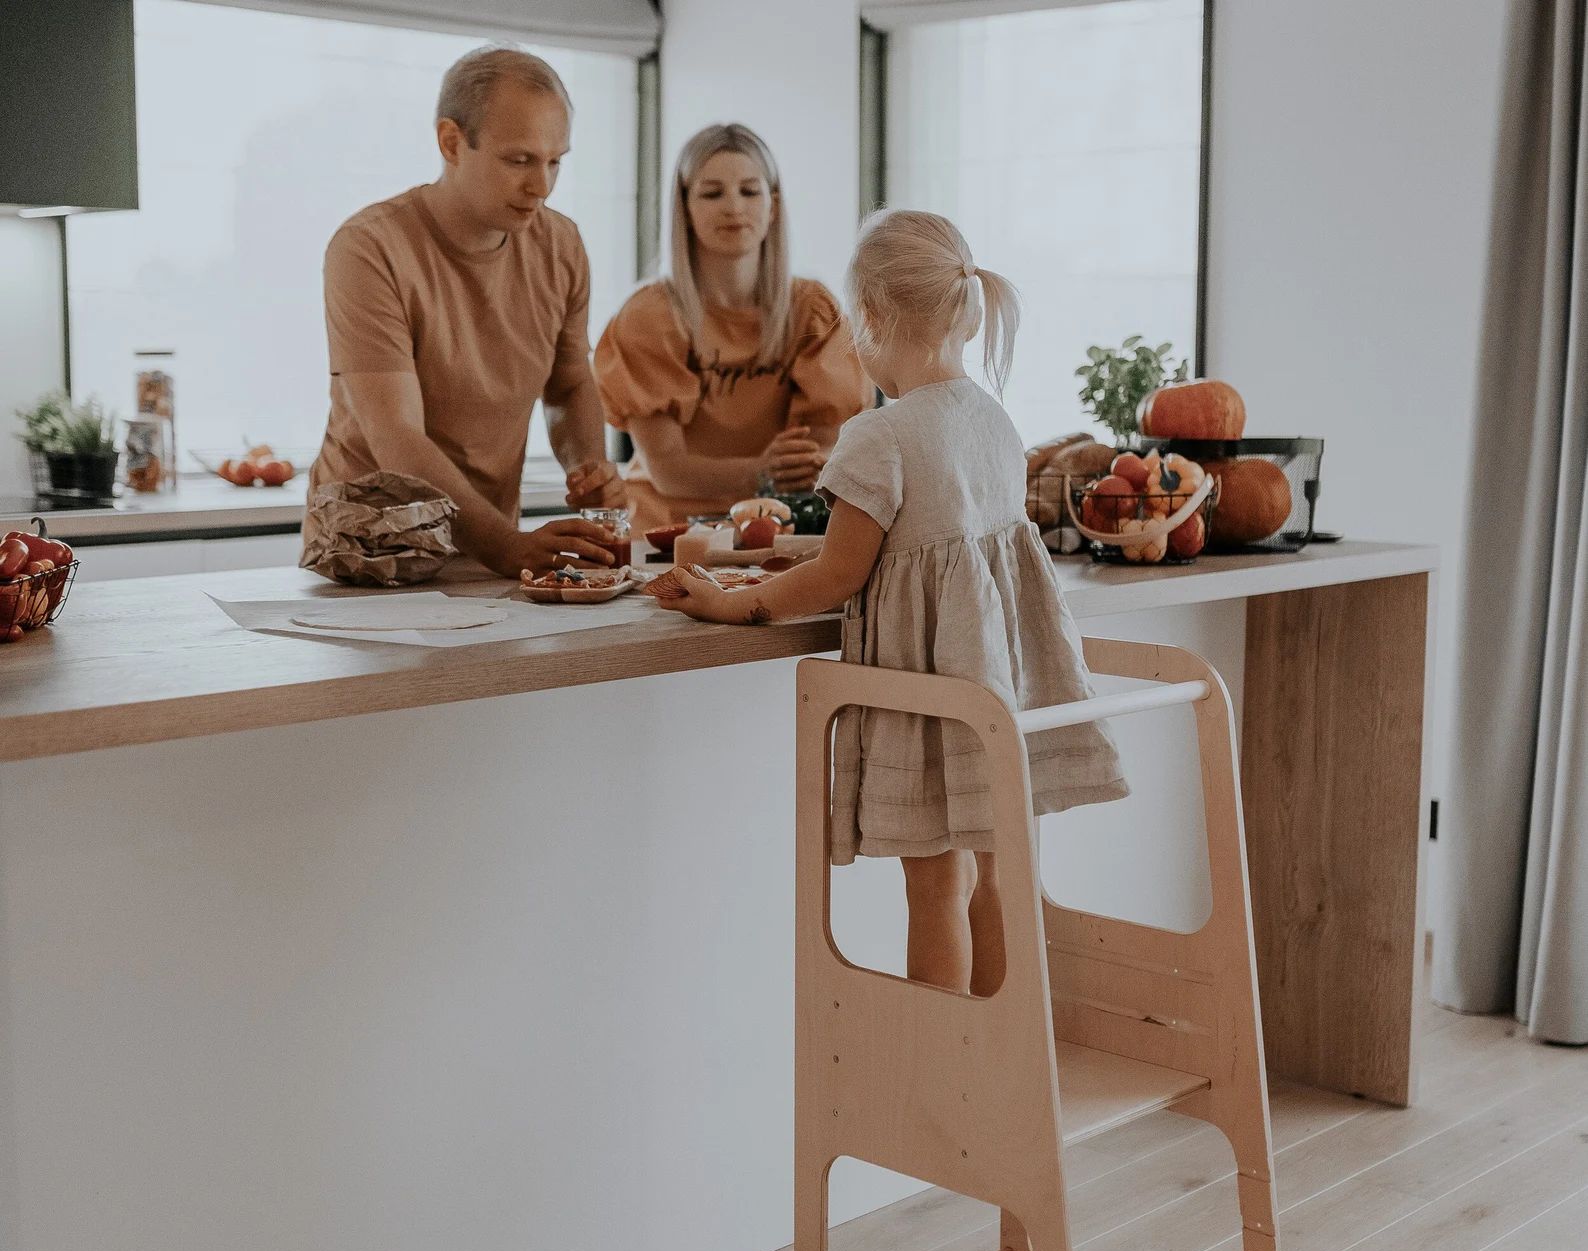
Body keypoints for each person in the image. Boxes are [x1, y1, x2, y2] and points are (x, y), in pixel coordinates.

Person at [655, 209, 1130, 995]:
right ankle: (999, 1052)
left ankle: (944, 1071)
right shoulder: (995, 421)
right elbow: (931, 545)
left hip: (930, 700)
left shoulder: (879, 436)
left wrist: (730, 605)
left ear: (870, 318)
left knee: (933, 889)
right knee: (1000, 877)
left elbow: (839, 574)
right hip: (1000, 691)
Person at [308, 47, 626, 578]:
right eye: (519, 160)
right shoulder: (368, 248)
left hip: (486, 554)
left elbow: (569, 385)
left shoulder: (563, 244)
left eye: (555, 161)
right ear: (451, 142)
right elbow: (397, 436)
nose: (541, 186)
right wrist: (506, 545)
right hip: (367, 558)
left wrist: (588, 467)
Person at [593, 124, 870, 532]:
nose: (733, 207)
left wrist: (784, 472)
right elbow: (669, 471)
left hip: (781, 531)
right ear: (685, 206)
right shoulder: (646, 318)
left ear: (772, 205)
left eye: (749, 191)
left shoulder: (814, 312)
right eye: (711, 193)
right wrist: (762, 470)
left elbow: (818, 458)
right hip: (665, 536)